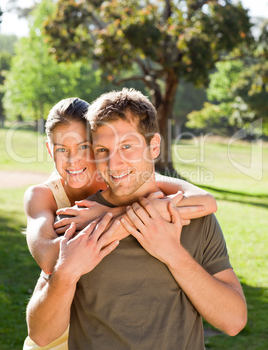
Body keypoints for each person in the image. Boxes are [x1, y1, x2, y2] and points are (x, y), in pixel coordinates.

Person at [26, 89, 247, 348]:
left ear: (154, 146)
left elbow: (234, 321)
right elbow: (41, 335)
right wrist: (68, 270)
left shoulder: (193, 216)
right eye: (102, 149)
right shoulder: (77, 220)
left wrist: (173, 254)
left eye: (127, 146)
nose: (115, 163)